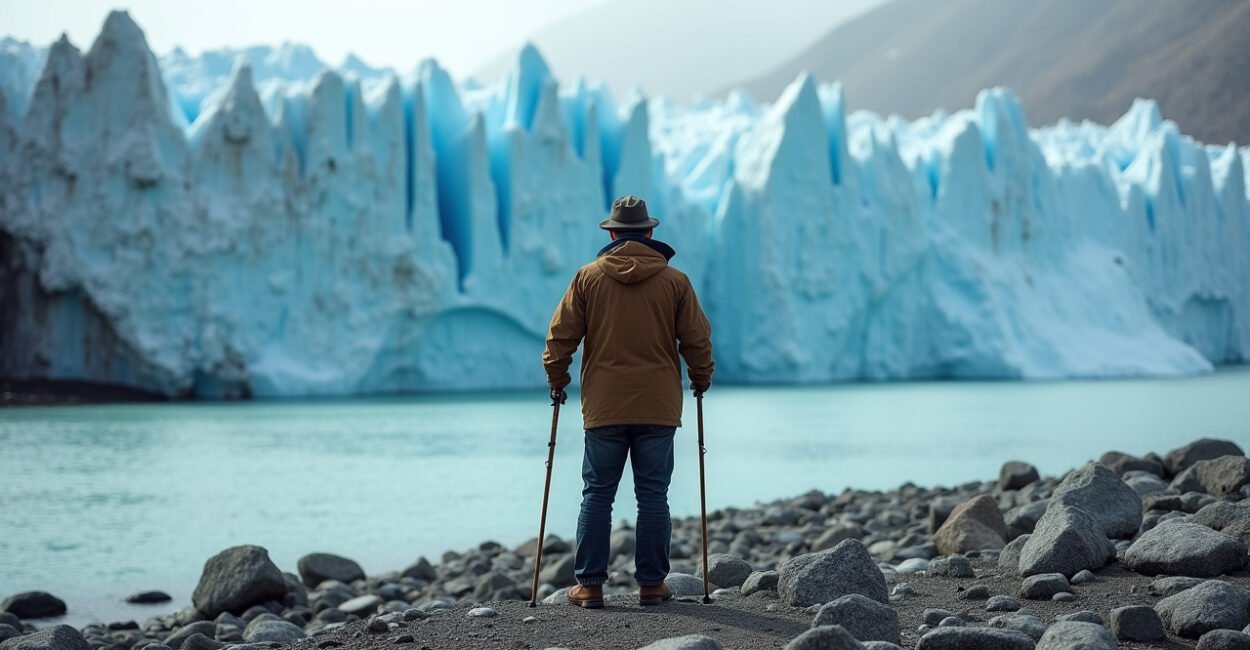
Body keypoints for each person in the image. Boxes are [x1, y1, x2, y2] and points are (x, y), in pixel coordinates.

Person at [542, 194, 714, 609]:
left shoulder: (587, 278)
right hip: (658, 406)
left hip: (604, 407)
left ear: (613, 234)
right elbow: (697, 339)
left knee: (597, 494)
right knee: (653, 495)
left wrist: (557, 378)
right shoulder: (675, 282)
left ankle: (590, 585)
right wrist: (701, 377)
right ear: (650, 232)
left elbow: (560, 337)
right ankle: (652, 584)